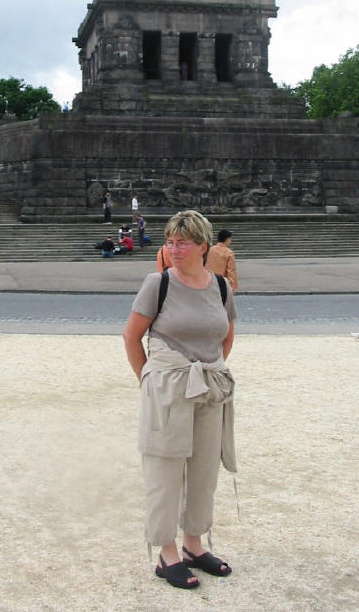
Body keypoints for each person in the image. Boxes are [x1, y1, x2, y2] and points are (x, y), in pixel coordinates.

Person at [123, 209, 236, 591]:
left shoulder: (220, 287)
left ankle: (193, 544)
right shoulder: (158, 284)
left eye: (182, 241)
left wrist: (209, 371)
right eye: (170, 241)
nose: (173, 248)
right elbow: (131, 337)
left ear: (202, 245)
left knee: (204, 470)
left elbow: (227, 334)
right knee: (164, 471)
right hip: (168, 388)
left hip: (207, 387)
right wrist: (150, 380)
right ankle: (166, 551)